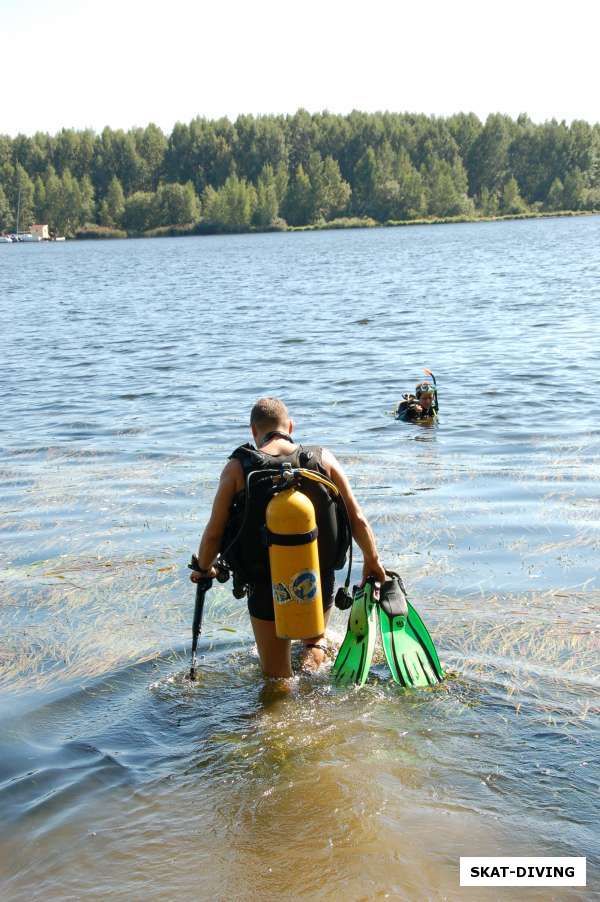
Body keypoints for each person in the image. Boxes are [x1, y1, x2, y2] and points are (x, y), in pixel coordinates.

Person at [190, 397, 386, 679]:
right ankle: (309, 680)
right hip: (317, 577)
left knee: (276, 677)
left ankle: (284, 710)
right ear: (290, 426)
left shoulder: (237, 469)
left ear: (253, 432)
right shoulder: (322, 459)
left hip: (265, 584)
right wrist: (373, 560)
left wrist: (203, 569)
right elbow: (357, 519)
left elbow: (214, 534)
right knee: (315, 643)